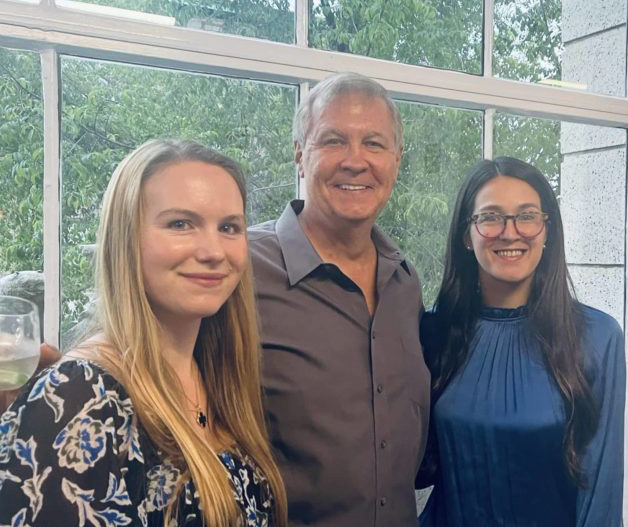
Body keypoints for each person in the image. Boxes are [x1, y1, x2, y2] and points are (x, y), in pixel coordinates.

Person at [0, 140, 287, 527]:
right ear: (126, 239)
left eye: (229, 227)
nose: (214, 250)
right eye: (181, 224)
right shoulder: (80, 396)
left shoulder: (217, 380)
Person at [249, 72, 430, 527]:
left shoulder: (404, 284)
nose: (356, 161)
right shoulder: (240, 268)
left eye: (374, 143)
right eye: (333, 140)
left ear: (396, 160)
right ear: (299, 155)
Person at [417, 157, 625, 527]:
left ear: (547, 231)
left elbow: (601, 493)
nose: (510, 232)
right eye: (490, 217)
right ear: (467, 234)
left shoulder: (596, 337)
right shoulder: (433, 332)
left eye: (527, 216)